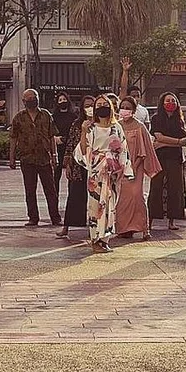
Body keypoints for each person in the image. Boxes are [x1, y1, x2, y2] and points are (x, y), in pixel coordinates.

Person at [75, 95, 134, 253]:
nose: (102, 107)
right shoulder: (91, 128)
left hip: (113, 173)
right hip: (96, 173)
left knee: (110, 205)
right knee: (95, 206)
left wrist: (122, 168)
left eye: (104, 104)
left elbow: (123, 149)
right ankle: (95, 239)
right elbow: (83, 150)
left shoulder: (117, 128)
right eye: (98, 104)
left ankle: (105, 238)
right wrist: (83, 131)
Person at [10, 89, 62, 227]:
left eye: (35, 97)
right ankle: (33, 217)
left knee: (50, 190)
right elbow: (13, 138)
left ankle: (55, 217)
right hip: (27, 159)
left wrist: (54, 155)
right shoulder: (19, 117)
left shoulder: (46, 115)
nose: (32, 100)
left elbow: (52, 136)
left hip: (44, 158)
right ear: (24, 101)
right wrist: (12, 158)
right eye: (29, 98)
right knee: (30, 190)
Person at [115, 96, 161, 240]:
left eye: (128, 107)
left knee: (137, 196)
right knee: (121, 199)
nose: (125, 110)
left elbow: (145, 150)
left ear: (134, 110)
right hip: (119, 168)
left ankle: (143, 228)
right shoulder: (116, 126)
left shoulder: (140, 127)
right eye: (123, 107)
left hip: (136, 167)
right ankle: (123, 229)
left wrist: (133, 167)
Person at [147, 92, 186, 231]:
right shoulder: (157, 118)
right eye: (168, 100)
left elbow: (183, 141)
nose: (171, 103)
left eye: (173, 100)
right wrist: (176, 142)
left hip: (175, 158)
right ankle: (150, 219)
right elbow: (158, 136)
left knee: (175, 188)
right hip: (159, 157)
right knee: (156, 187)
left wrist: (165, 143)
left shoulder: (179, 120)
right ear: (162, 103)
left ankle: (172, 220)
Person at [58, 95, 95, 239]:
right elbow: (71, 144)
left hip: (96, 165)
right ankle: (67, 226)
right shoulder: (76, 124)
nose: (90, 108)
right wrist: (68, 164)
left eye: (92, 105)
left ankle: (95, 226)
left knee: (96, 197)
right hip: (79, 165)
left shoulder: (101, 124)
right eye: (87, 105)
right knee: (74, 195)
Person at [52, 92, 79, 193]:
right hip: (57, 148)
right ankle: (55, 199)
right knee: (56, 176)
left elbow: (75, 132)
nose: (62, 102)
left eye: (64, 99)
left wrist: (64, 139)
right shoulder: (54, 117)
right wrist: (55, 138)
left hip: (70, 148)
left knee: (71, 175)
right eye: (60, 100)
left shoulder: (74, 116)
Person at [119, 58, 150, 130]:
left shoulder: (144, 110)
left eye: (138, 96)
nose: (136, 98)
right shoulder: (122, 106)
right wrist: (125, 71)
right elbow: (123, 88)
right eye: (133, 96)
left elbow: (147, 129)